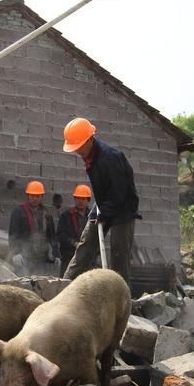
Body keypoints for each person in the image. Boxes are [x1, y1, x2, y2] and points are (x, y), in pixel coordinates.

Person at [61, 117, 141, 285]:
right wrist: (100, 212)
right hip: (103, 204)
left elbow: (119, 192)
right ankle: (63, 286)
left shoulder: (109, 157)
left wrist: (104, 213)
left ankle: (121, 298)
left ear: (90, 139)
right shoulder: (90, 155)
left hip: (123, 209)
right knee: (86, 245)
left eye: (79, 146)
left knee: (119, 255)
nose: (77, 151)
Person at [8, 180, 57, 276]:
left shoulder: (46, 214)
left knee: (39, 284)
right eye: (32, 196)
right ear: (28, 196)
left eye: (37, 196)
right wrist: (15, 253)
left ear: (42, 196)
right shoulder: (19, 211)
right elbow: (13, 234)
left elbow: (52, 236)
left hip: (41, 257)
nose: (35, 198)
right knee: (24, 284)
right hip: (24, 256)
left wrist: (56, 253)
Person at [56, 184, 92, 276]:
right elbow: (60, 235)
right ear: (75, 199)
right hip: (69, 256)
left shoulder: (92, 217)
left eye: (83, 199)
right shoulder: (66, 215)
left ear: (88, 200)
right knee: (66, 283)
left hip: (87, 258)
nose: (80, 201)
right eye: (78, 198)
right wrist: (74, 243)